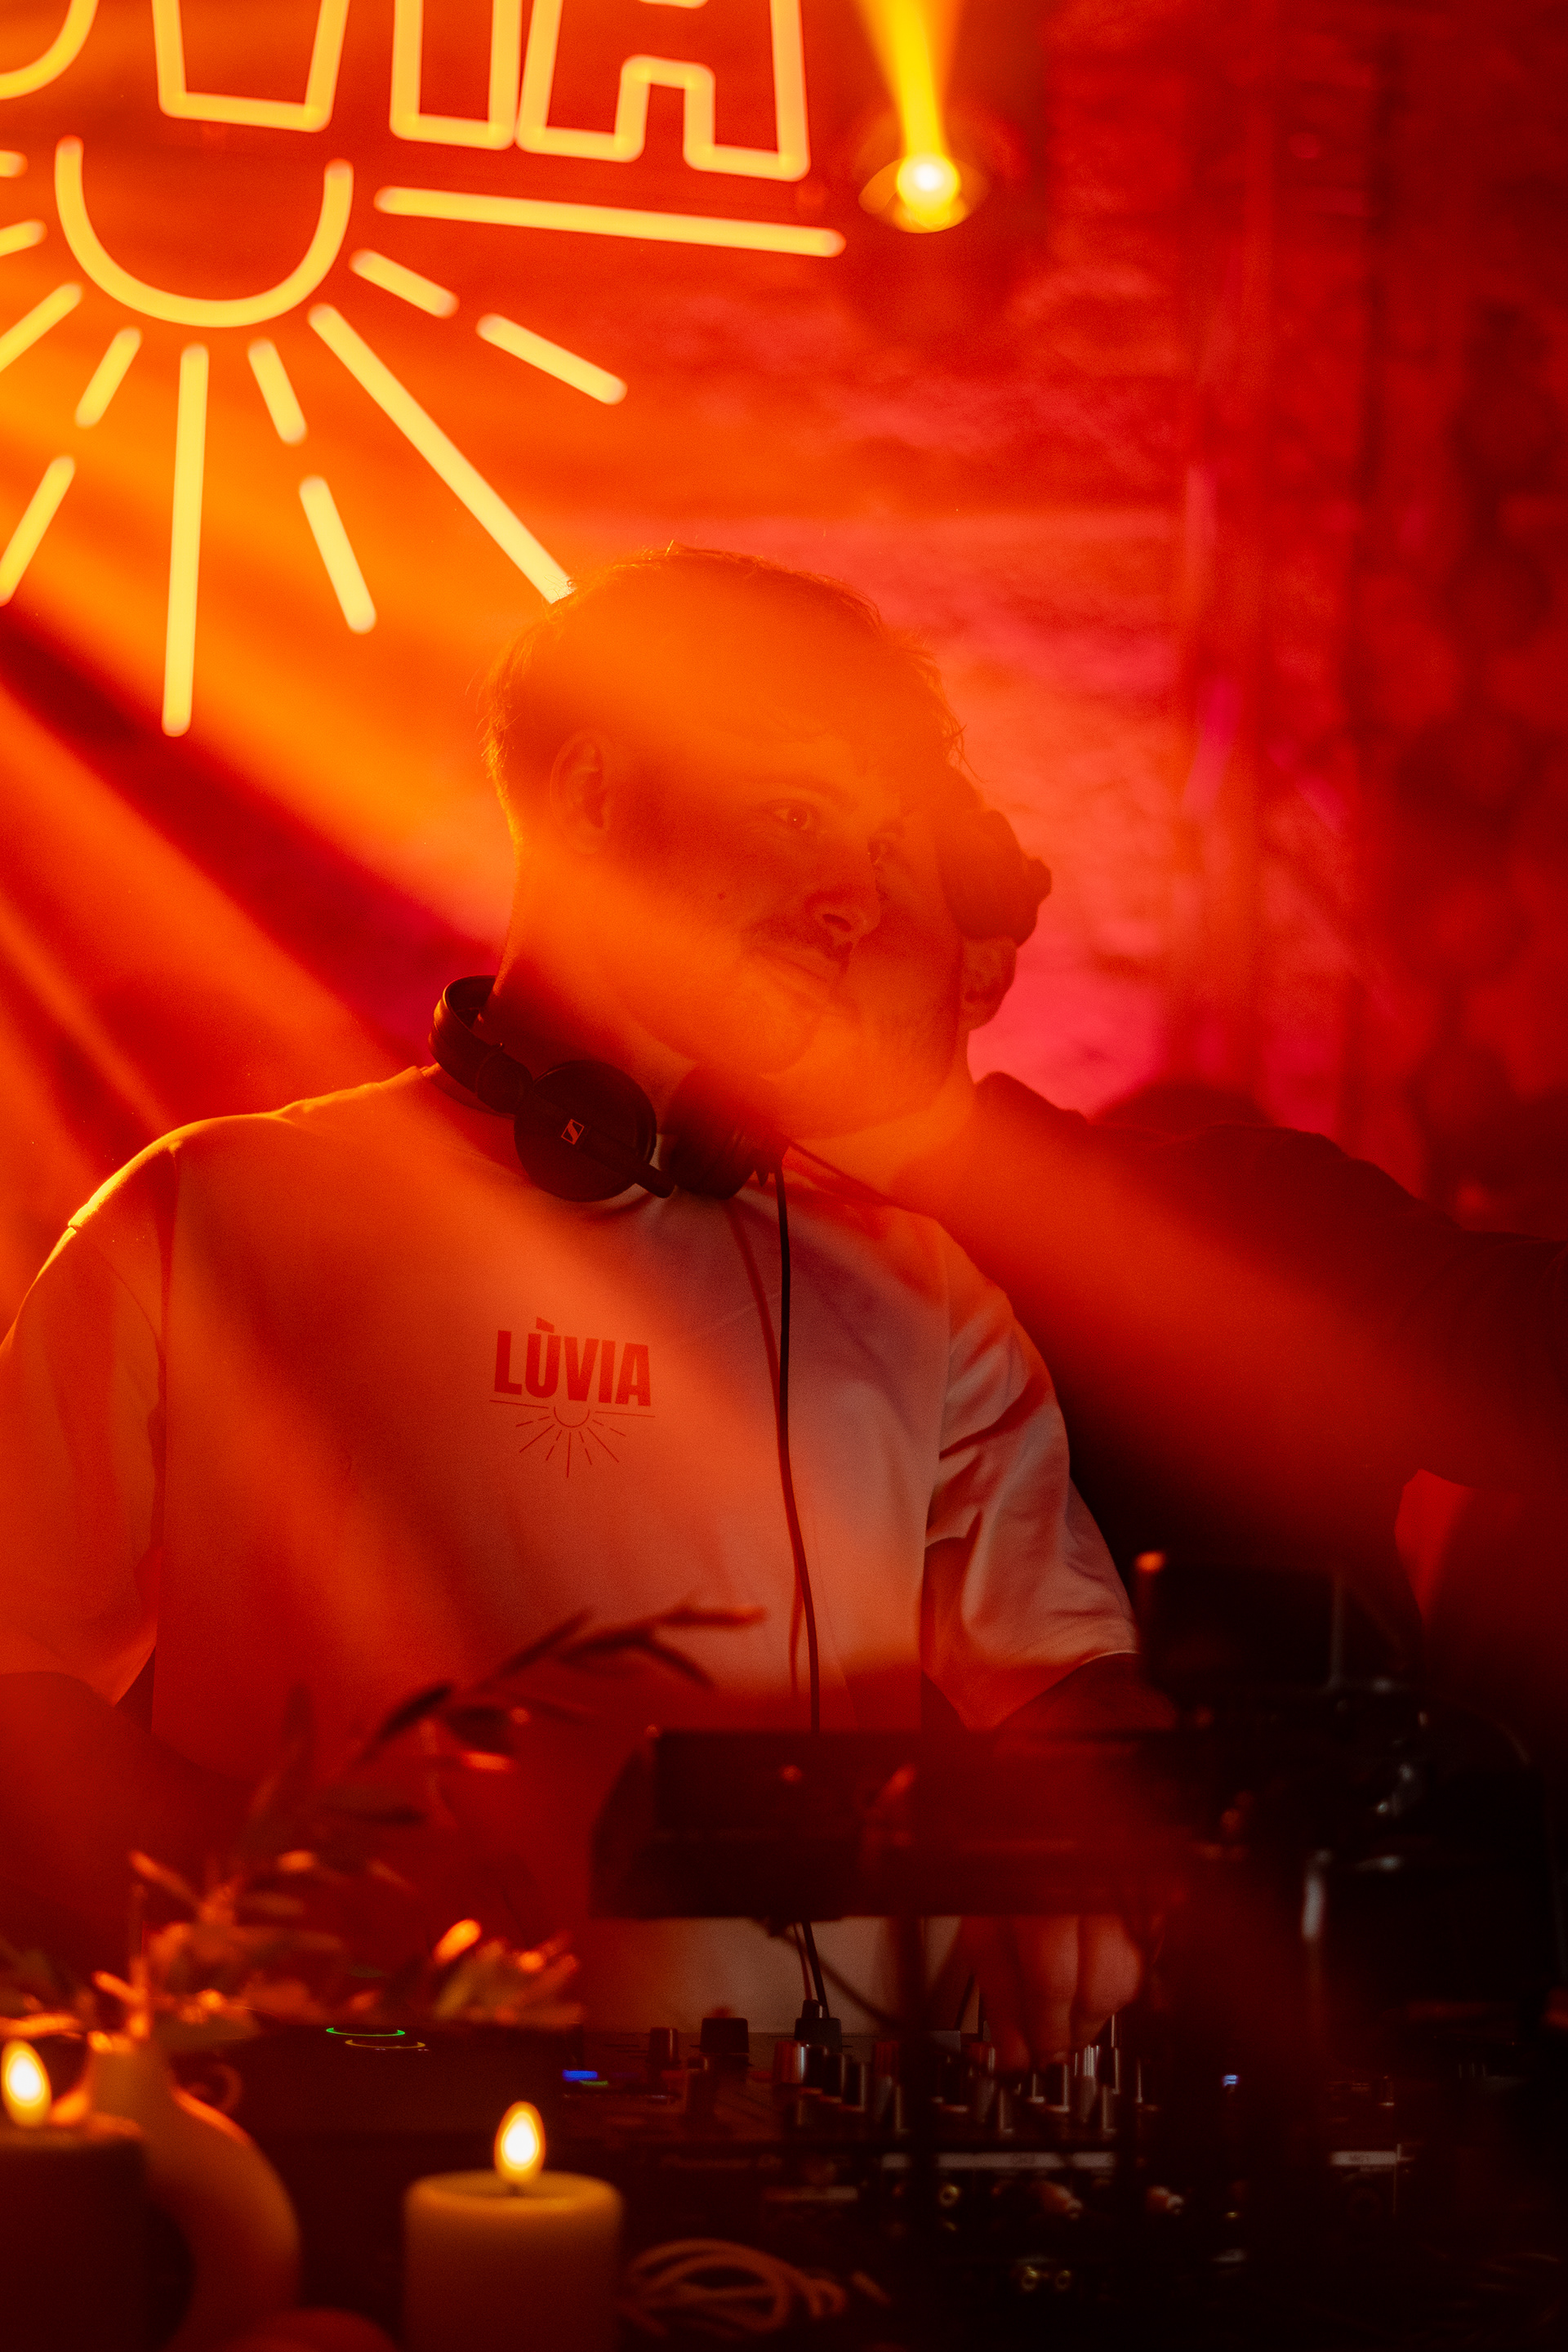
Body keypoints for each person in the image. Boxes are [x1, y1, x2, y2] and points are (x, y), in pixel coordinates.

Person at [0, 549, 1147, 2064]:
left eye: (876, 851)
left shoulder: (922, 1294)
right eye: (796, 815)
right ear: (594, 797)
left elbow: (1074, 1691)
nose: (850, 903)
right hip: (325, 2139)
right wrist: (285, 1893)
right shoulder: (204, 1212)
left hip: (796, 2175)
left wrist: (1077, 1855)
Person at [782, 793, 1568, 1681]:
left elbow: (1533, 1358)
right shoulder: (672, 1265)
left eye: (878, 874)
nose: (814, 918)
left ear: (980, 974)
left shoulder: (1244, 1228)